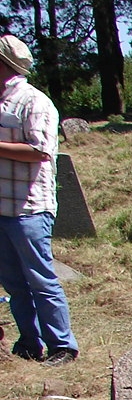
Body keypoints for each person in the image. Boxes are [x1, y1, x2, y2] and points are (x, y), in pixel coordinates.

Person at [0, 34, 78, 367]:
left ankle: (62, 346)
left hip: (28, 208)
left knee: (40, 279)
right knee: (14, 283)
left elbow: (40, 151)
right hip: (1, 208)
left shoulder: (34, 102)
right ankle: (29, 342)